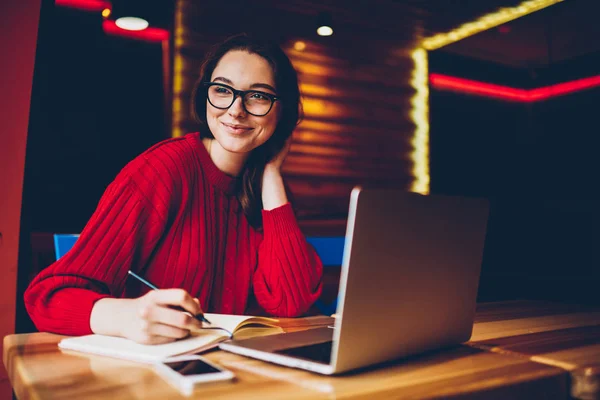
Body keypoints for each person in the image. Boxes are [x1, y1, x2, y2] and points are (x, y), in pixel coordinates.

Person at [24, 34, 323, 345]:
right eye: (222, 90)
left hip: (228, 376)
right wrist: (127, 317)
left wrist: (272, 173)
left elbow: (291, 302)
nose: (236, 110)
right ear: (205, 95)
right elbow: (48, 296)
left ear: (282, 112)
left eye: (258, 96)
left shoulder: (267, 189)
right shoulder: (163, 169)